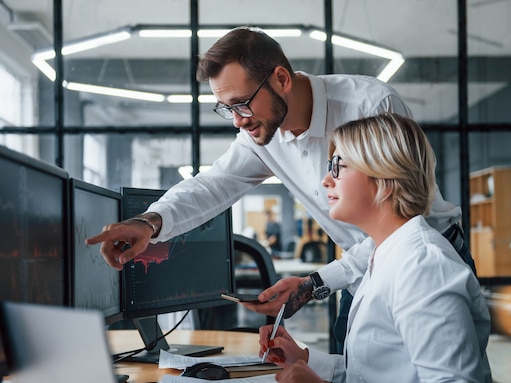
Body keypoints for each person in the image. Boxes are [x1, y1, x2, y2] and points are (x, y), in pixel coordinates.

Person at [85, 26, 470, 350]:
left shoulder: (368, 105)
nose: (237, 121)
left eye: (242, 104)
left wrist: (315, 283)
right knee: (353, 376)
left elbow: (403, 220)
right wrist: (149, 222)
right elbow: (215, 183)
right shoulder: (261, 134)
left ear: (281, 79)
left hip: (423, 257)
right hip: (363, 267)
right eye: (227, 109)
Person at [259, 113, 493, 383]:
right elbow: (381, 373)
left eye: (338, 167)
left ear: (384, 177)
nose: (326, 180)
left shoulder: (423, 266)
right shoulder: (384, 255)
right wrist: (304, 358)